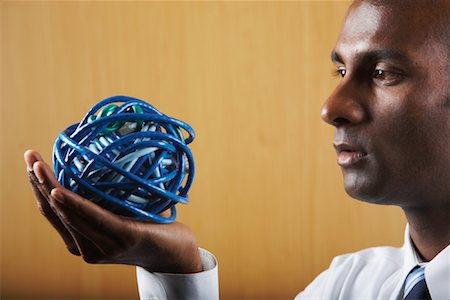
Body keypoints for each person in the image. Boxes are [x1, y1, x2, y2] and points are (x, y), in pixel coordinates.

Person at [25, 0, 449, 299]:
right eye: (340, 69)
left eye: (381, 73)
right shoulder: (345, 285)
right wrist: (176, 269)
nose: (331, 107)